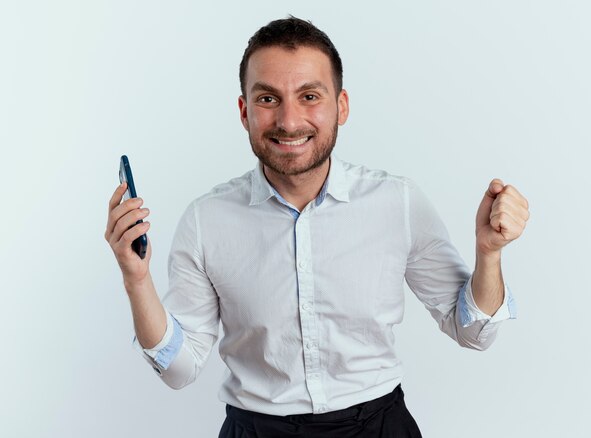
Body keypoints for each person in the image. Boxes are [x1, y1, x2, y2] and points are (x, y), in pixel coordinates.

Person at [105, 16, 529, 438]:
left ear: (341, 106)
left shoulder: (397, 202)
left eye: (309, 96)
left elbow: (473, 332)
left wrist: (488, 252)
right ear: (244, 111)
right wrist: (136, 279)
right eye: (268, 99)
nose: (289, 121)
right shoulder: (205, 221)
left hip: (379, 428)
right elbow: (179, 370)